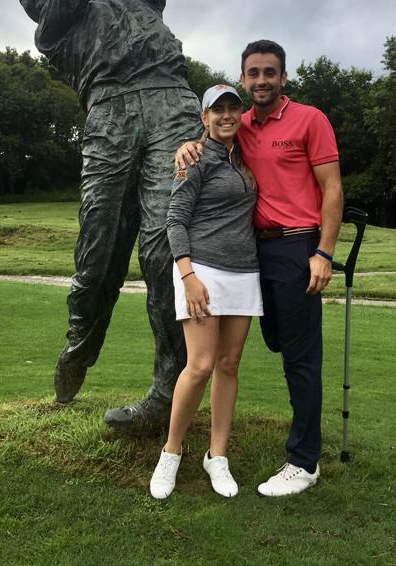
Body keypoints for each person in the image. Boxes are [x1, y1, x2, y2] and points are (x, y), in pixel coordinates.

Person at [18, 0, 202, 429]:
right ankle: (78, 347)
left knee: (167, 247)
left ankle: (167, 389)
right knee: (97, 252)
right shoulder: (54, 33)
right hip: (109, 116)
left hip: (171, 107)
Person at [175, 40, 343, 497]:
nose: (262, 80)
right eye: (253, 73)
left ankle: (304, 462)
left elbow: (332, 189)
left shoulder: (310, 119)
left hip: (298, 247)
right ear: (244, 78)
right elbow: (213, 136)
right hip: (254, 254)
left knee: (300, 356)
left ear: (283, 78)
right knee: (270, 343)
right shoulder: (241, 123)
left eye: (270, 72)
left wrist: (324, 253)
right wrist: (189, 146)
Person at [149, 85, 263, 499]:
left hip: (244, 272)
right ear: (204, 118)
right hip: (202, 273)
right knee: (199, 365)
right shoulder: (193, 160)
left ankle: (217, 457)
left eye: (234, 108)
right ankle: (171, 453)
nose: (227, 116)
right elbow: (174, 220)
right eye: (218, 110)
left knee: (229, 364)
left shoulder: (246, 155)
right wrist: (188, 275)